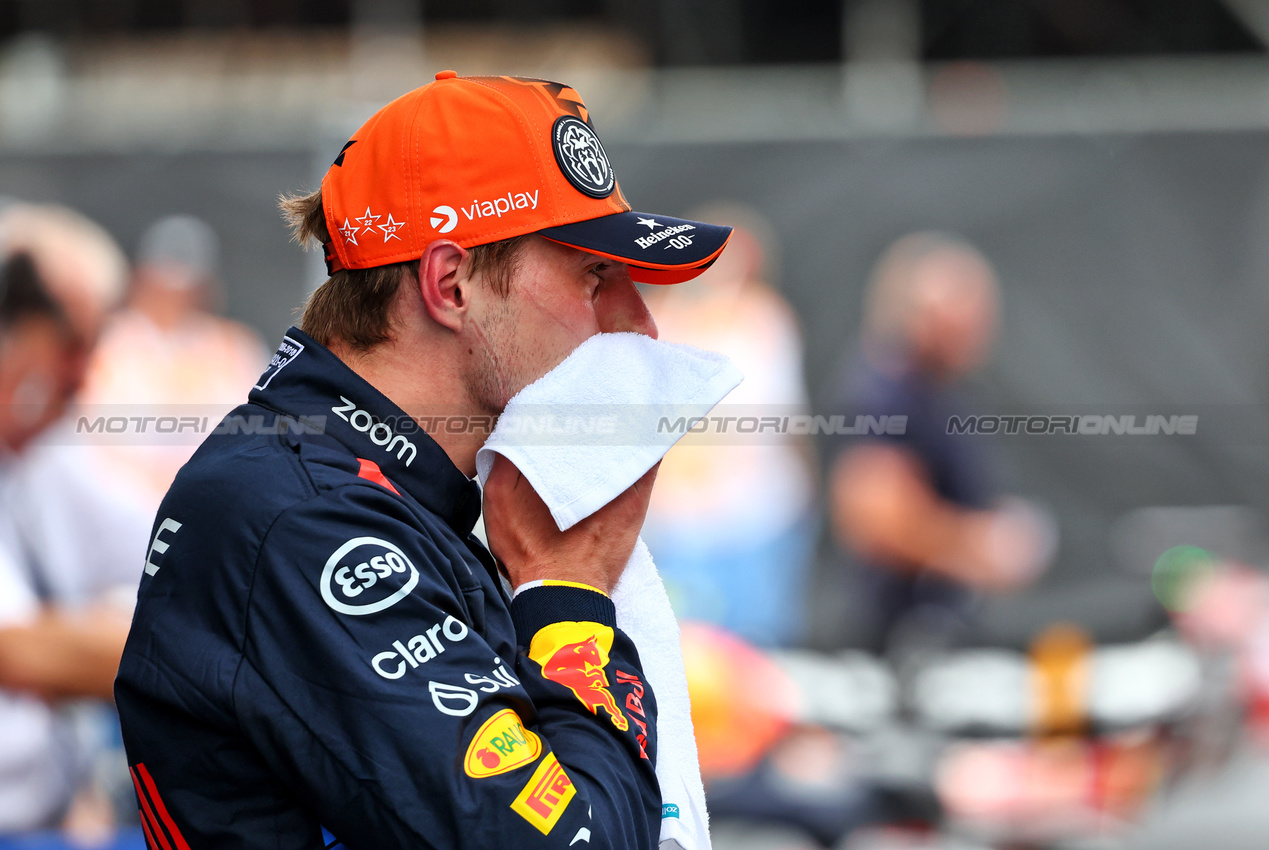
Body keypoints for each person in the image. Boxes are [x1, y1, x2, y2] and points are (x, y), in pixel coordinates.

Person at [114, 72, 733, 849]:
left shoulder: (392, 495)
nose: (637, 326)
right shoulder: (305, 517)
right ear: (450, 285)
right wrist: (567, 596)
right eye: (594, 275)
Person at [828, 232, 1054, 654]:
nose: (976, 323)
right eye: (962, 307)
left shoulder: (937, 390)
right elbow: (873, 515)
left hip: (943, 630)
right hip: (904, 637)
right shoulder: (887, 392)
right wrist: (986, 544)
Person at [0, 210, 143, 836]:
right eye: (71, 345)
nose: (83, 375)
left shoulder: (36, 456)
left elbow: (182, 540)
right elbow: (18, 651)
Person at [641, 202, 817, 646]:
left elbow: (784, 420)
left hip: (755, 523)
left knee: (755, 649)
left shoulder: (764, 321)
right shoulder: (655, 319)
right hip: (678, 526)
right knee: (685, 651)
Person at [81, 214, 266, 512]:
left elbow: (253, 434)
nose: (173, 297)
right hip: (111, 509)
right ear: (140, 278)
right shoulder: (104, 342)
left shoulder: (234, 346)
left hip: (207, 507)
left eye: (184, 285)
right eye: (164, 282)